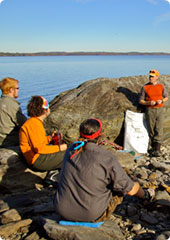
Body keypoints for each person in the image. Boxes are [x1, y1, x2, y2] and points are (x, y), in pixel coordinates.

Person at [54, 118, 155, 222]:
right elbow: (130, 190)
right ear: (100, 135)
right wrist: (139, 187)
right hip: (90, 215)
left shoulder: (71, 150)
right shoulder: (106, 157)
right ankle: (146, 196)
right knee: (122, 183)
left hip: (61, 209)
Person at [19, 96, 67, 176]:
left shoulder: (34, 122)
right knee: (70, 154)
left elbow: (37, 141)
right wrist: (60, 148)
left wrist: (50, 138)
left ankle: (56, 174)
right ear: (44, 110)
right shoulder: (34, 124)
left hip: (36, 157)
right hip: (37, 160)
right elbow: (39, 148)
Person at [139, 69, 168, 157]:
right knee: (151, 129)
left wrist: (161, 100)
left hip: (160, 109)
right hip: (149, 110)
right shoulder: (145, 87)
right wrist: (148, 103)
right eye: (150, 76)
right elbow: (141, 101)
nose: (150, 78)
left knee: (159, 128)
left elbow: (166, 97)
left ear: (157, 77)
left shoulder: (161, 86)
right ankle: (152, 148)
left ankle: (158, 149)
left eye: (152, 76)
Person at [0, 77, 27, 148]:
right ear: (11, 90)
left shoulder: (1, 102)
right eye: (17, 88)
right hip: (10, 142)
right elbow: (25, 124)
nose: (18, 90)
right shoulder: (12, 105)